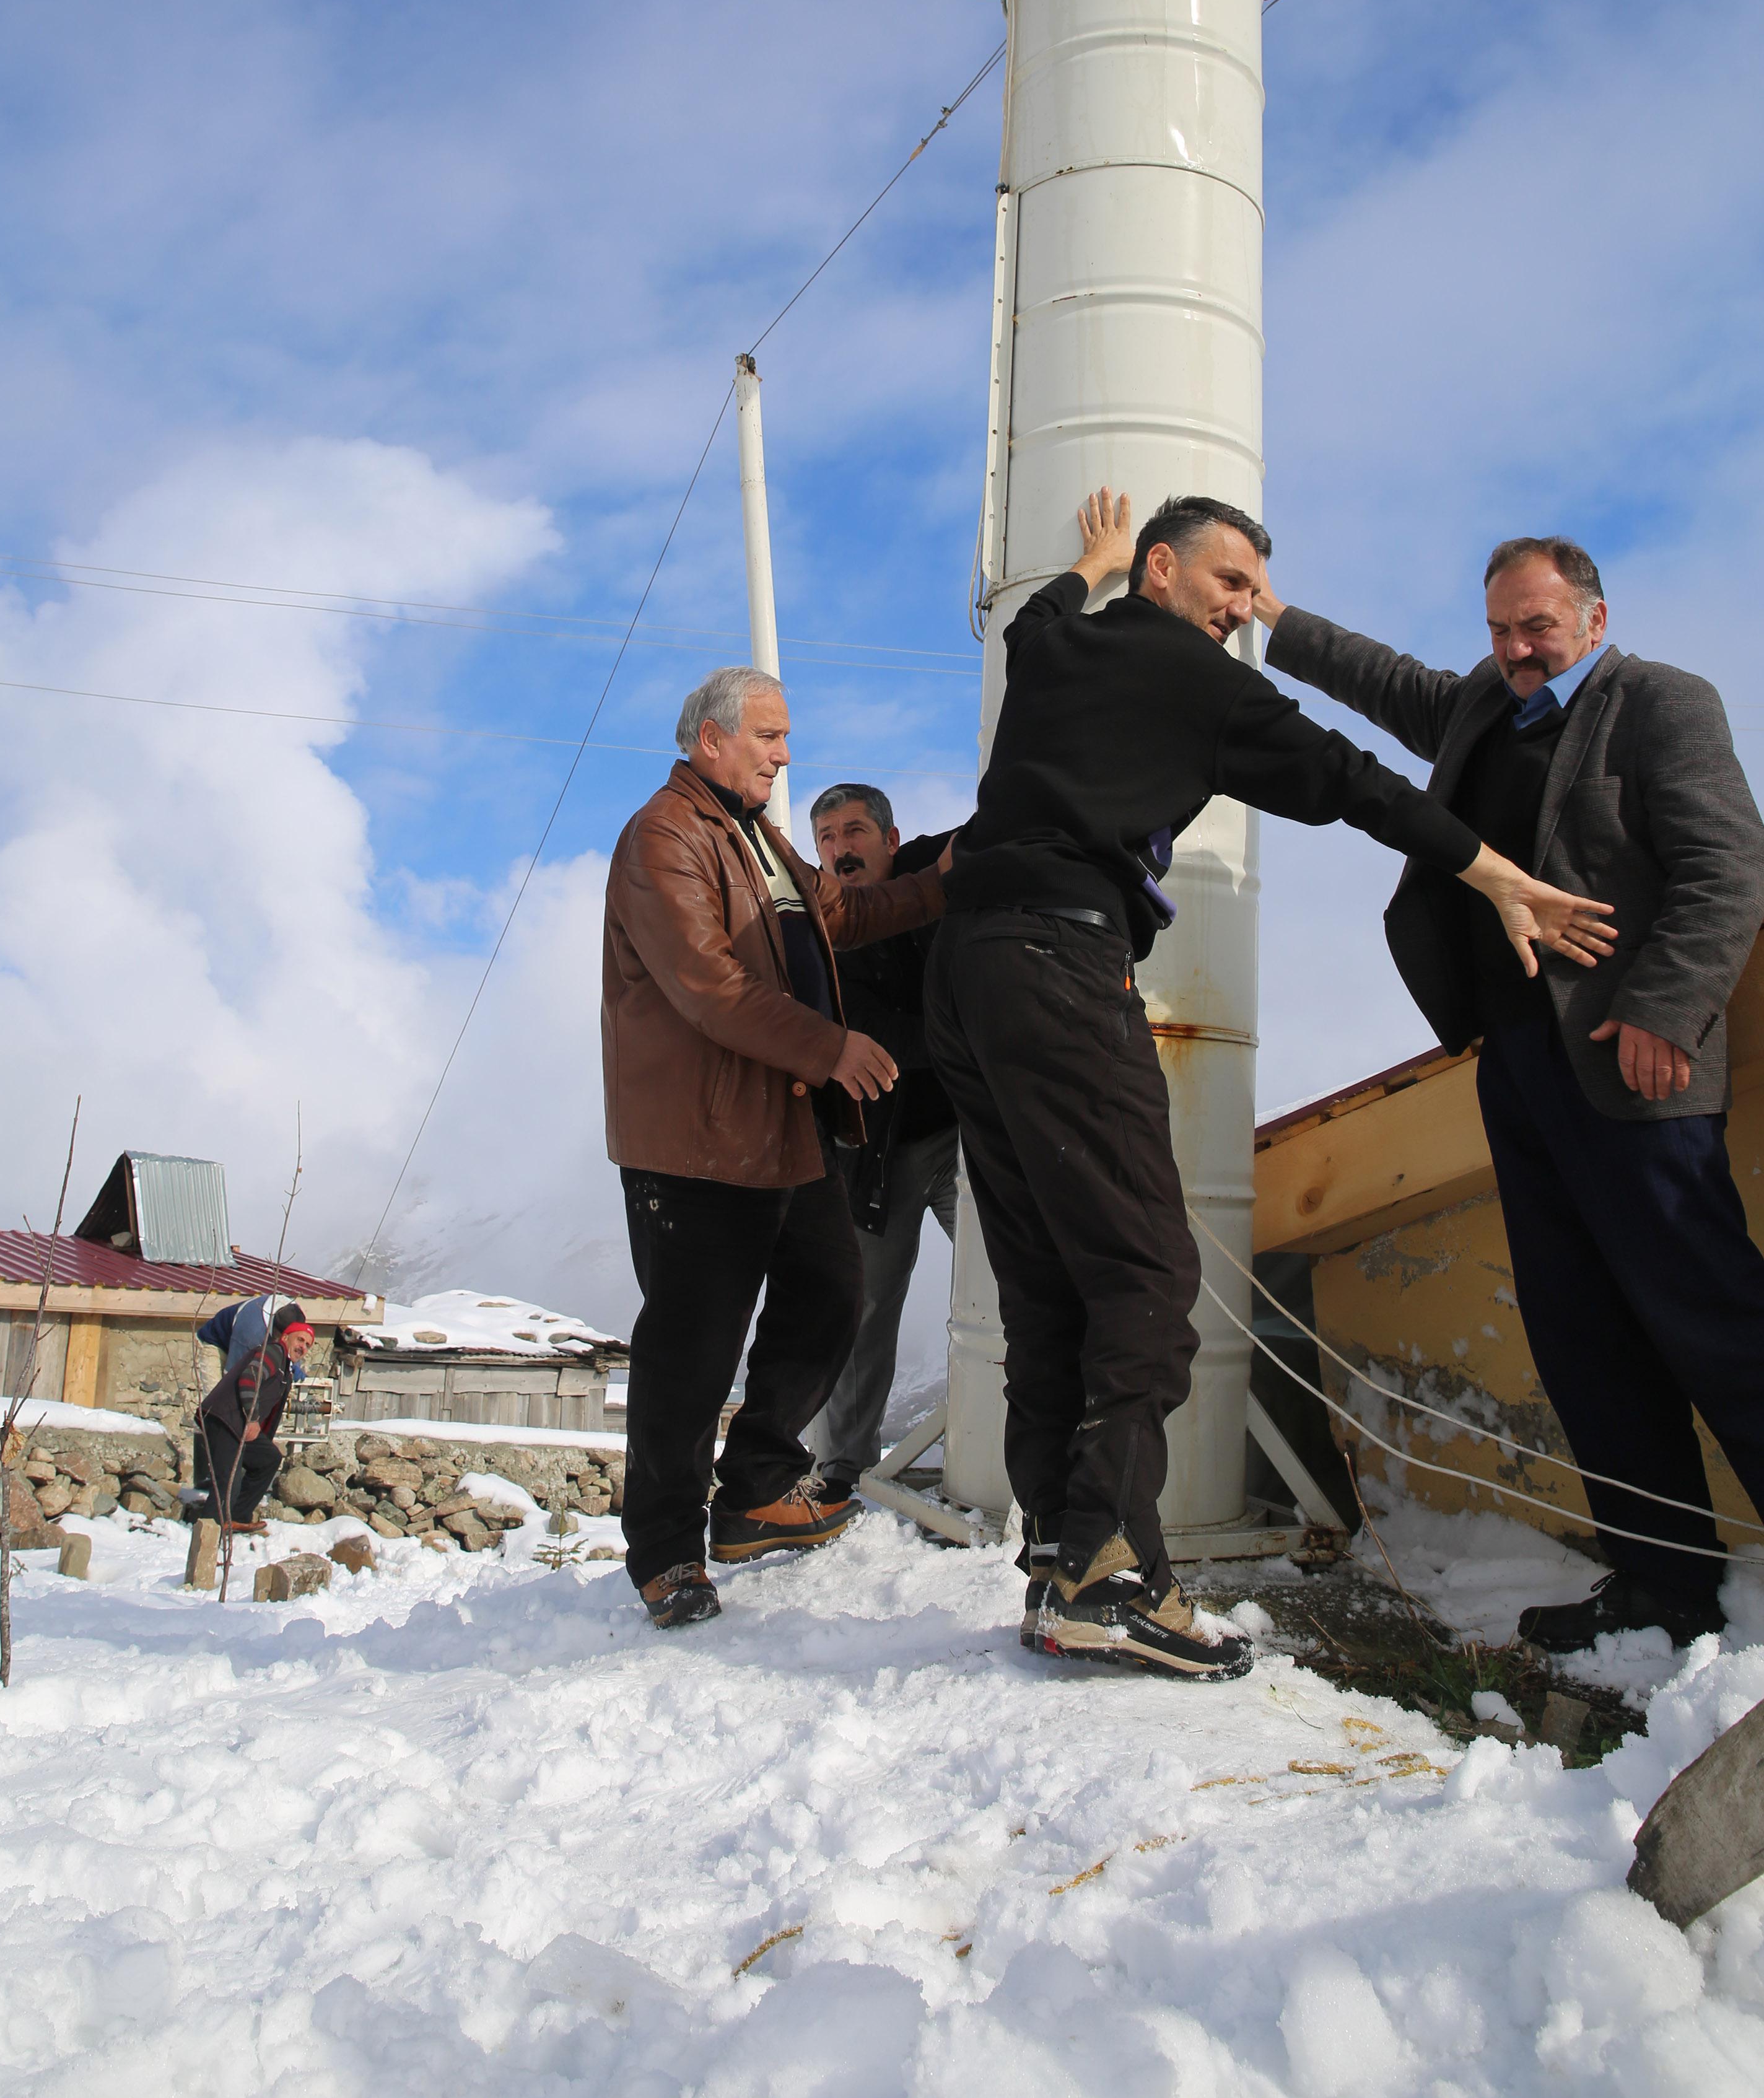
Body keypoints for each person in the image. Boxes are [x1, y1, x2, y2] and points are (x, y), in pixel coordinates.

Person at [928, 489, 1615, 1680]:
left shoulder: (1065, 645)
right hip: (1058, 959)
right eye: (1231, 583)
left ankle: (1063, 1560)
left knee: (1049, 1279)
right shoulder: (1191, 675)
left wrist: (1080, 568)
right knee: (1147, 1276)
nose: (1246, 611)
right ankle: (1108, 1575)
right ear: (1163, 572)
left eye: (1252, 593)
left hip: (969, 972)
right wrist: (1495, 874)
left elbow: (1028, 627)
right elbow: (1352, 778)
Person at [1257, 535, 1764, 1649]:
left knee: (1718, 1319)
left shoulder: (1661, 703)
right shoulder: (1490, 705)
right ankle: (1663, 1584)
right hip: (1520, 1069)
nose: (1517, 651)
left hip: (1639, 1067)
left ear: (1592, 615)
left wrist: (1668, 1014)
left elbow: (1728, 866)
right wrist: (1276, 617)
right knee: (1581, 1336)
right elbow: (1392, 684)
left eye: (1536, 628)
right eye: (1498, 632)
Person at [601, 665, 950, 1632]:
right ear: (710, 740)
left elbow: (838, 920)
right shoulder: (663, 836)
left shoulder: (755, 835)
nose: (785, 754)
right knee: (690, 1350)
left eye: (784, 738)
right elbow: (707, 985)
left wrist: (939, 886)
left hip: (780, 1126)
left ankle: (755, 1485)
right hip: (697, 1140)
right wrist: (832, 1047)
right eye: (768, 737)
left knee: (832, 1295)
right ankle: (667, 1552)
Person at [805, 782, 962, 1505]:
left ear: (892, 841)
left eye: (856, 830)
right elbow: (857, 1030)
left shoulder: (937, 874)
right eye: (828, 836)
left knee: (1019, 1282)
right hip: (877, 1152)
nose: (842, 847)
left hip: (968, 1132)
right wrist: (962, 1038)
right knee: (862, 1308)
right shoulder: (815, 932)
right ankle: (840, 1469)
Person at [193, 1305, 315, 1532]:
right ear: (286, 1337)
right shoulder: (273, 1352)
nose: (303, 1347)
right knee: (228, 1481)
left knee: (268, 1458)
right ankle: (208, 1534)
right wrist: (252, 1419)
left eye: (308, 1345)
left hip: (240, 1425)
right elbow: (249, 1379)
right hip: (224, 1420)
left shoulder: (285, 1368)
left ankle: (237, 1518)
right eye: (300, 1340)